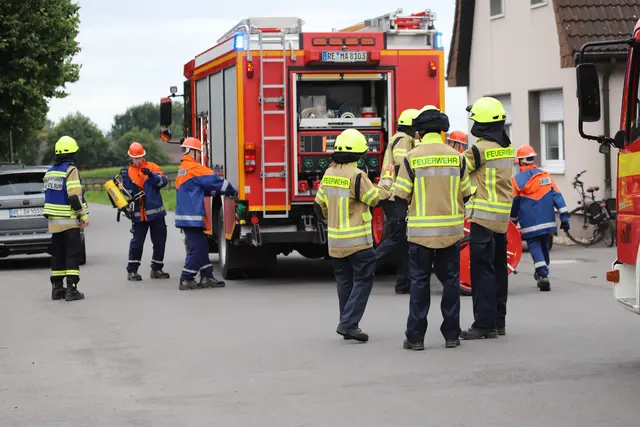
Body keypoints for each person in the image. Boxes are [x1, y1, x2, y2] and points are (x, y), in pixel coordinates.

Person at [393, 106, 473, 350]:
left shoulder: (412, 157)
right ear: (441, 130)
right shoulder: (457, 157)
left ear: (419, 132)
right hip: (451, 232)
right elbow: (466, 193)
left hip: (420, 234)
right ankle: (452, 335)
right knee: (451, 282)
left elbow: (401, 195)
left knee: (419, 283)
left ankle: (415, 338)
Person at [314, 128, 392, 342]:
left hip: (335, 242)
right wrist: (386, 182)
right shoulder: (357, 175)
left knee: (344, 282)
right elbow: (375, 199)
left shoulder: (329, 173)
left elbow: (319, 204)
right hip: (358, 243)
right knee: (364, 279)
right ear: (358, 154)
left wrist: (332, 220)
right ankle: (348, 323)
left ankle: (347, 323)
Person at [460, 97, 515, 340]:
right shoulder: (507, 147)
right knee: (499, 271)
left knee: (482, 272)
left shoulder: (479, 150)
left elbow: (457, 168)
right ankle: (498, 321)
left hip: (482, 219)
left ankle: (484, 325)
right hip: (501, 219)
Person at [175, 137, 237, 290]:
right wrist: (233, 188)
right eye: (198, 153)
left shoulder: (184, 168)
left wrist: (213, 192)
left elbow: (196, 188)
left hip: (187, 216)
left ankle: (207, 276)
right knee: (196, 248)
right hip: (191, 217)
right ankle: (186, 278)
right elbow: (214, 180)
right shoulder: (194, 168)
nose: (199, 156)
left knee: (202, 246)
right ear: (193, 152)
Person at [510, 144, 570, 291]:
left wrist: (513, 222)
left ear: (521, 161)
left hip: (529, 223)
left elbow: (515, 204)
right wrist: (564, 218)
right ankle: (542, 272)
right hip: (548, 221)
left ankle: (542, 274)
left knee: (535, 246)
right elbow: (557, 197)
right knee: (544, 246)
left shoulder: (516, 180)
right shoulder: (545, 176)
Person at [375, 108, 419, 294]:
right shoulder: (403, 138)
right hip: (395, 196)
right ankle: (366, 265)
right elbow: (402, 163)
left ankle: (404, 283)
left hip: (393, 196)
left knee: (404, 241)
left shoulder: (400, 137)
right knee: (397, 237)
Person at [43, 136, 89, 302]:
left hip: (54, 222)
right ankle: (72, 289)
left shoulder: (50, 172)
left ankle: (57, 289)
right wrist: (83, 215)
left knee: (58, 255)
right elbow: (74, 197)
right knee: (72, 254)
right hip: (69, 221)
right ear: (72, 153)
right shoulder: (70, 170)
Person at [120, 142, 171, 281]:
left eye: (140, 157)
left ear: (143, 155)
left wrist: (152, 176)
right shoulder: (127, 172)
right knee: (137, 243)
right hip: (139, 215)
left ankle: (157, 269)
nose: (138, 160)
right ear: (131, 157)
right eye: (135, 158)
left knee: (160, 241)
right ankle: (132, 271)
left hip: (156, 214)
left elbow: (164, 181)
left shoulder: (153, 167)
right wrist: (125, 182)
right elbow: (126, 193)